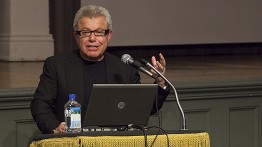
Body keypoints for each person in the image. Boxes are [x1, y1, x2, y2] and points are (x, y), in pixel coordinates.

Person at [30, 5, 170, 134]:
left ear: (108, 36)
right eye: (85, 32)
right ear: (76, 36)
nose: (92, 38)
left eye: (99, 32)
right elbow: (40, 104)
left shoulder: (124, 68)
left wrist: (160, 83)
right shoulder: (57, 66)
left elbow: (140, 109)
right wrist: (55, 126)